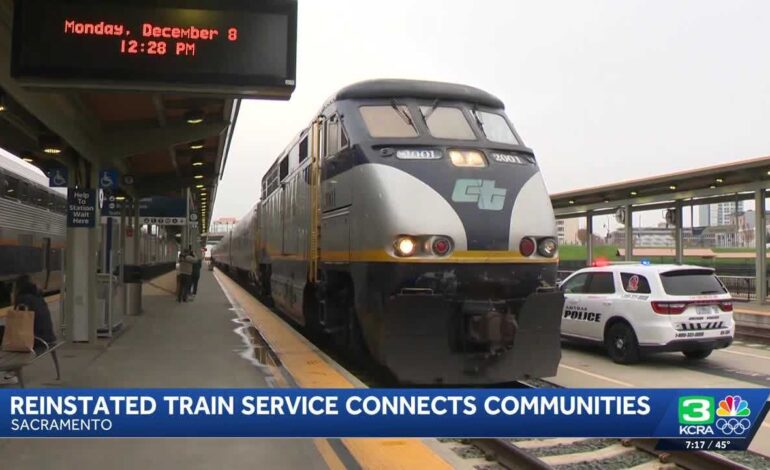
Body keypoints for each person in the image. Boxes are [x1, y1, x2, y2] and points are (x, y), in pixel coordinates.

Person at [0, 275, 57, 385]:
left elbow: (17, 326)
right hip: (48, 338)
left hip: (37, 340)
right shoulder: (38, 297)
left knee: (2, 334)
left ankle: (8, 374)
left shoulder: (23, 299)